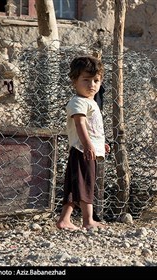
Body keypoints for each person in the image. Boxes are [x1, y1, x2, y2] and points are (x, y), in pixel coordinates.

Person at [56, 55, 110, 230]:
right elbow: (80, 124)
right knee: (87, 183)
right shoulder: (78, 102)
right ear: (74, 81)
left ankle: (64, 220)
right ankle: (88, 221)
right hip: (82, 150)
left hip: (87, 148)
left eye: (96, 80)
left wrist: (101, 145)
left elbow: (93, 129)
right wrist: (88, 145)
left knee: (73, 185)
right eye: (86, 80)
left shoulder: (90, 102)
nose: (92, 85)